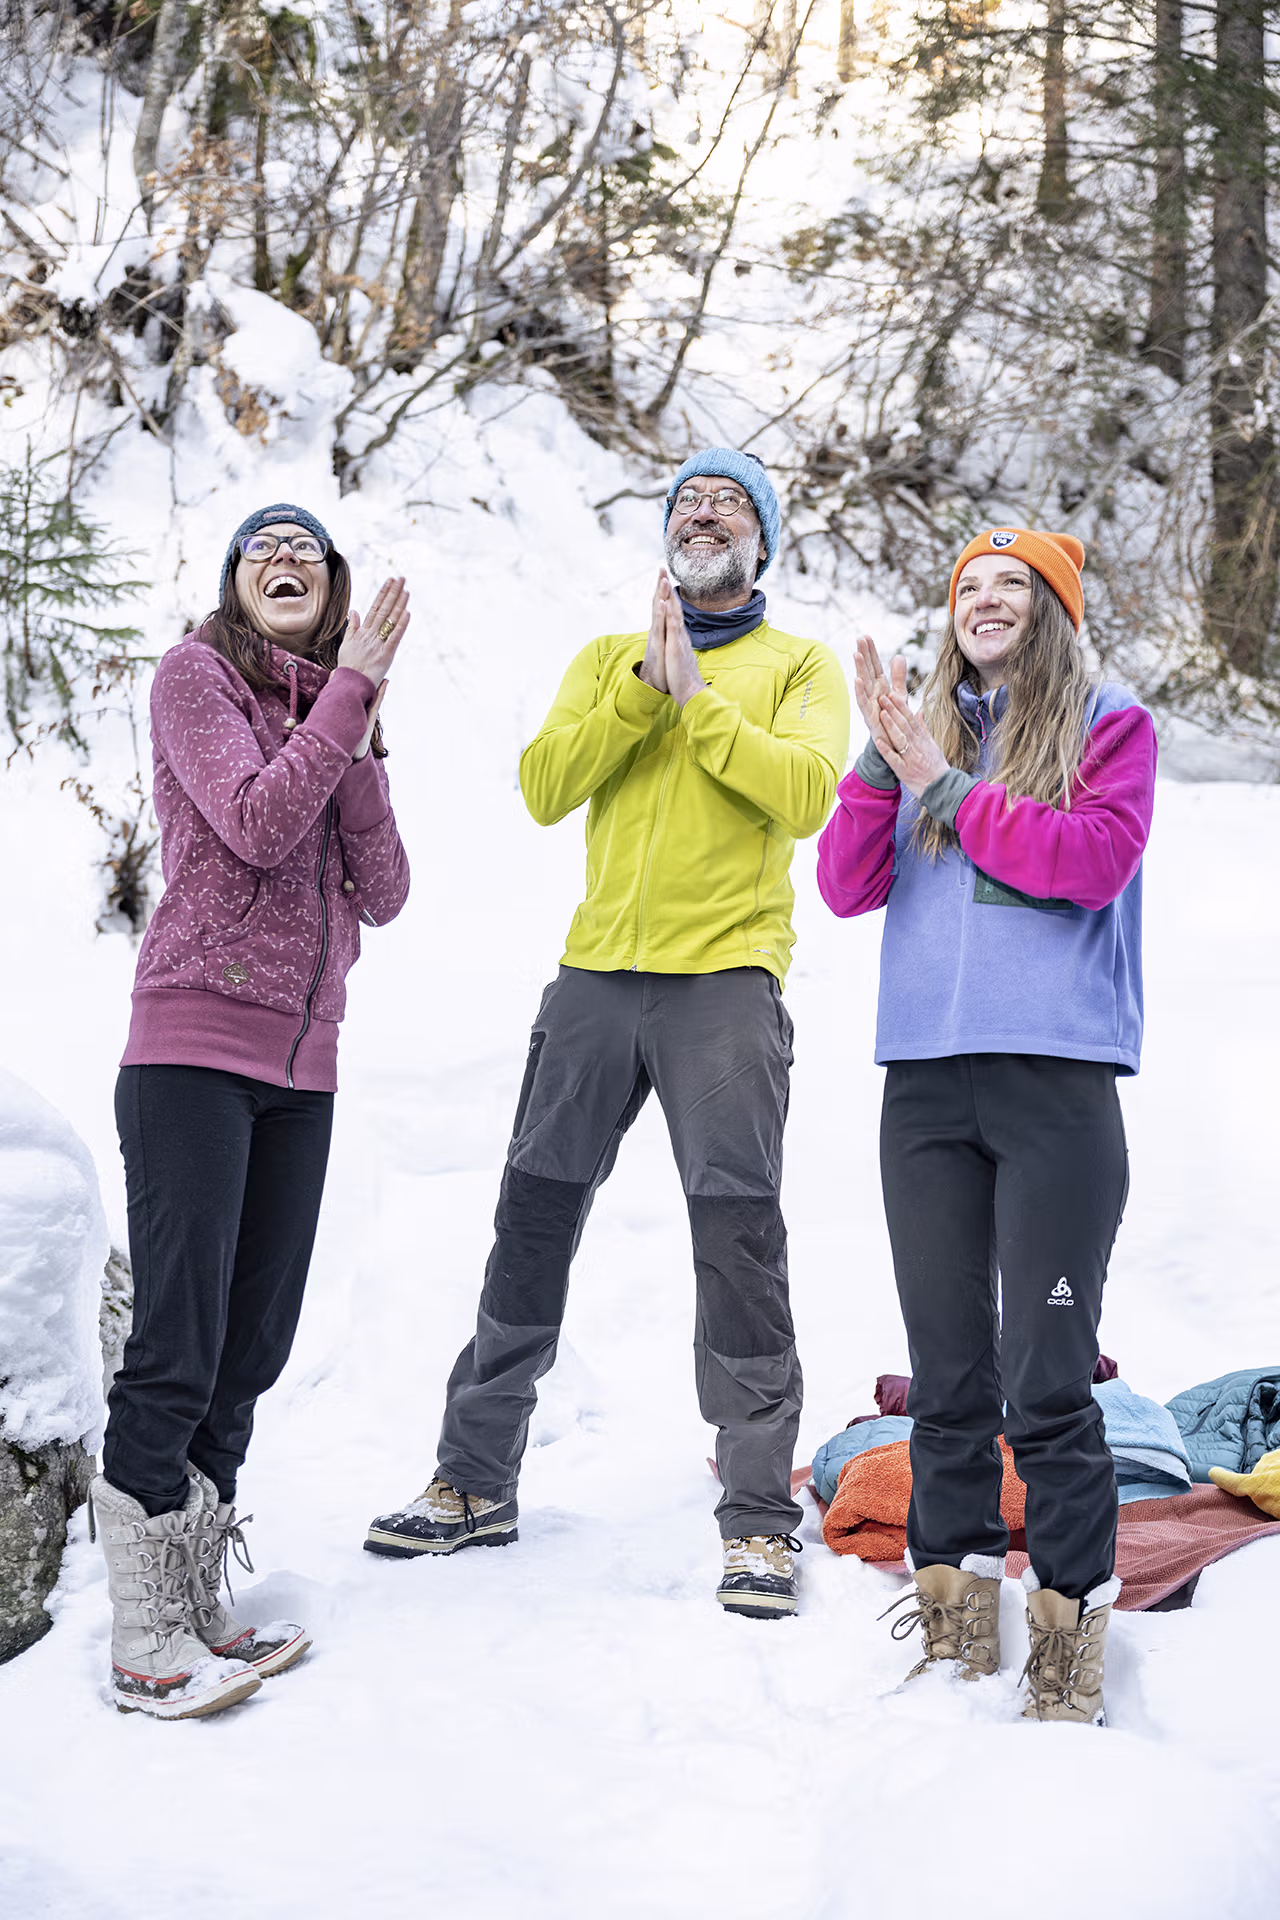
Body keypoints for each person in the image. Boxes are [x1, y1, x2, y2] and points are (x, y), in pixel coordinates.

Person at [365, 449, 849, 1617]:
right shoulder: (604, 658)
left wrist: (699, 700)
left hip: (724, 984)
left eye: (726, 503)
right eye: (683, 502)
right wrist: (643, 684)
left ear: (760, 541)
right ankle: (474, 1480)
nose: (700, 514)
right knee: (530, 1218)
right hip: (592, 980)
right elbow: (543, 784)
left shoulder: (798, 667)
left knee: (736, 1242)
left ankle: (754, 1523)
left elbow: (805, 795)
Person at [816, 528, 1156, 1723]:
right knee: (949, 1377)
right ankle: (955, 1633)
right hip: (923, 1087)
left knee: (1047, 1380)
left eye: (1012, 583)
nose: (984, 598)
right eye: (966, 584)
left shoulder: (1108, 724)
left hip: (1054, 1090)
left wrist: (943, 788)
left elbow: (1088, 861)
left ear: (1052, 612)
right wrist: (883, 760)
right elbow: (844, 887)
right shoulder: (918, 744)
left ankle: (1066, 1660)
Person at [92, 504, 410, 1719]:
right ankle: (141, 1632)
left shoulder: (336, 709)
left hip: (303, 1067)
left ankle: (193, 1593)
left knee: (251, 1345)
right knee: (176, 1340)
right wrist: (349, 705)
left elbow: (382, 890)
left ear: (332, 592)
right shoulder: (193, 678)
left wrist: (357, 717)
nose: (285, 563)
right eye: (260, 550)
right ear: (233, 582)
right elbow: (258, 821)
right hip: (189, 1047)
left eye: (308, 553)